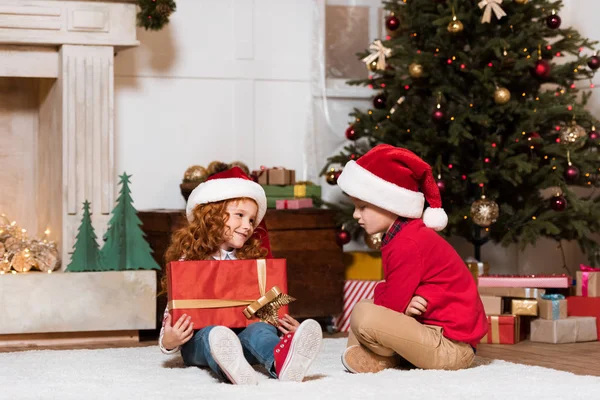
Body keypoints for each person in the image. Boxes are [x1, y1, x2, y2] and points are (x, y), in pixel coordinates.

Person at [158, 167, 323, 384]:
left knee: (261, 330)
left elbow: (267, 309)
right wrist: (169, 341)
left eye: (252, 220)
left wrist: (284, 328)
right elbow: (171, 319)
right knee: (213, 334)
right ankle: (230, 368)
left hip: (245, 339)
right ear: (213, 215)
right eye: (240, 216)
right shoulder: (188, 262)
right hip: (201, 342)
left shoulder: (252, 263)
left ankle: (281, 361)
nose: (247, 226)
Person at [336, 144, 488, 372]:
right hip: (433, 331)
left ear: (388, 204)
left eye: (363, 207)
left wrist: (397, 302)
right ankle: (369, 359)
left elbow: (392, 304)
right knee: (366, 306)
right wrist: (400, 302)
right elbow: (396, 299)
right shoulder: (403, 235)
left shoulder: (407, 243)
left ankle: (381, 358)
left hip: (452, 347)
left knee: (363, 313)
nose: (356, 215)